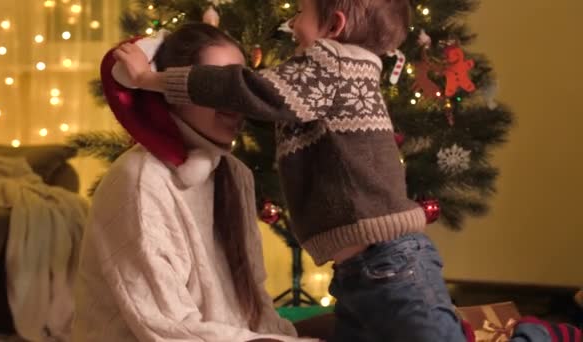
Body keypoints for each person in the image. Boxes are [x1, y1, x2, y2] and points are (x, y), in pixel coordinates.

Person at [113, 0, 467, 341]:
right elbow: (259, 105)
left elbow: (243, 90)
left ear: (334, 26)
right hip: (359, 273)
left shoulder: (334, 66)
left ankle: (525, 332)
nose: (292, 24)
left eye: (300, 12)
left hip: (390, 264)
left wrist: (148, 79)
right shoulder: (325, 85)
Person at [72, 24, 318, 342]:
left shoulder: (234, 174)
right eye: (213, 87)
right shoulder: (140, 181)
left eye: (235, 87)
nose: (233, 103)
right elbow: (167, 328)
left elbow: (257, 314)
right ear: (172, 89)